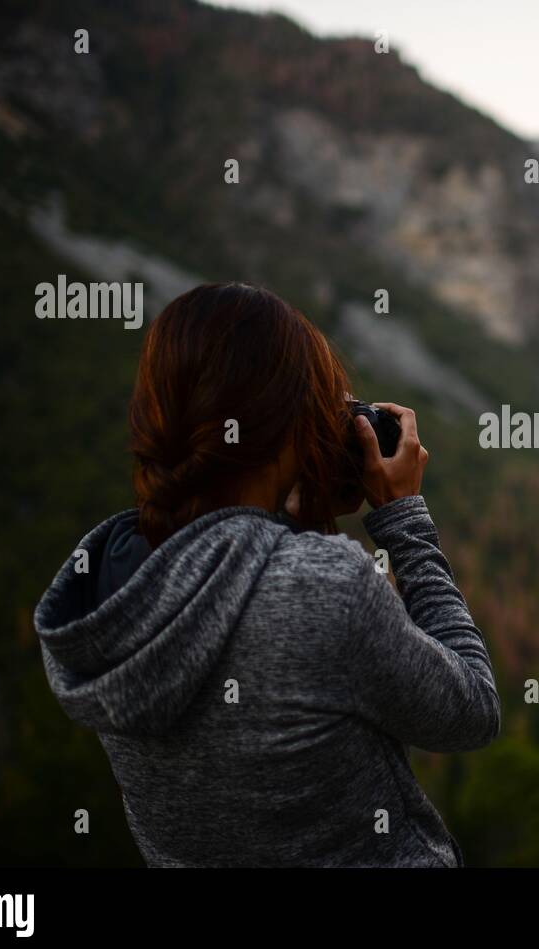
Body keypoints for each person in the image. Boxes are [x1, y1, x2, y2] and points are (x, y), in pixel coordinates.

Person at [33, 282, 500, 867]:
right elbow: (473, 710)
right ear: (287, 420)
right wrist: (404, 517)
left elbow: (228, 575)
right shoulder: (324, 587)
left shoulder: (105, 583)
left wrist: (290, 513)